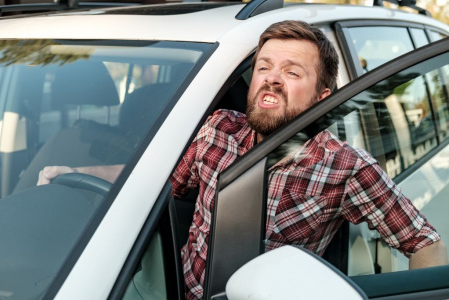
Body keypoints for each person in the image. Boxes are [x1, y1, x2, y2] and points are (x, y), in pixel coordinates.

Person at [38, 20, 447, 300]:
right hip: (173, 290)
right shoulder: (218, 128)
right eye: (264, 67)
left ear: (323, 98)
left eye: (292, 72)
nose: (270, 77)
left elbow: (424, 243)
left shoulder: (346, 167)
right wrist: (76, 172)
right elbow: (160, 182)